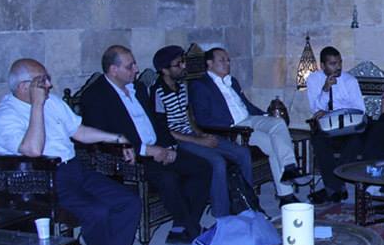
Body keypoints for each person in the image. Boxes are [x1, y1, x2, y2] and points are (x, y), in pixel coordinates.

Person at [0, 59, 144, 245]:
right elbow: (33, 150)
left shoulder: (52, 102)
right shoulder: (6, 116)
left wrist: (118, 138)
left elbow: (78, 132)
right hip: (42, 181)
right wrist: (37, 106)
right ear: (23, 87)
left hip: (74, 169)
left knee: (129, 201)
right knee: (97, 211)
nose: (49, 85)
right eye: (42, 81)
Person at [81, 45, 213, 245]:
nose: (136, 69)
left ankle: (183, 227)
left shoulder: (139, 89)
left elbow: (156, 122)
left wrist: (170, 147)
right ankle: (192, 230)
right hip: (129, 157)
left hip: (157, 147)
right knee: (168, 178)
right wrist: (146, 150)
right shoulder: (95, 96)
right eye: (130, 66)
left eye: (134, 64)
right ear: (113, 70)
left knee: (202, 167)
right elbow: (100, 138)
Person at [150, 45, 255, 219]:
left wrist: (200, 133)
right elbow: (163, 130)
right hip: (177, 140)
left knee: (242, 153)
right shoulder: (158, 92)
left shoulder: (181, 86)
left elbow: (188, 117)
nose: (184, 66)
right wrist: (197, 140)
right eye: (178, 64)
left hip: (192, 134)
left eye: (183, 62)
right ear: (164, 70)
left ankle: (247, 203)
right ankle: (221, 214)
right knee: (217, 161)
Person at [189, 47, 302, 206]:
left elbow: (246, 105)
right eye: (222, 60)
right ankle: (286, 195)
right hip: (233, 128)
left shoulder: (232, 81)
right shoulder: (200, 85)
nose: (227, 63)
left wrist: (265, 115)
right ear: (209, 63)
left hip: (249, 119)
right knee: (273, 145)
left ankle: (290, 167)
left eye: (228, 60)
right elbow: (202, 118)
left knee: (278, 123)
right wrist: (229, 127)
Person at [305, 46, 366, 205]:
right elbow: (316, 109)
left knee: (356, 142)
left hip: (347, 126)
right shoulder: (313, 80)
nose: (338, 67)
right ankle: (338, 188)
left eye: (339, 63)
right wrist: (325, 90)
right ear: (323, 65)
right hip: (326, 127)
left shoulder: (350, 81)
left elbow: (360, 109)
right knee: (318, 141)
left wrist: (334, 112)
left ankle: (332, 188)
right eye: (333, 64)